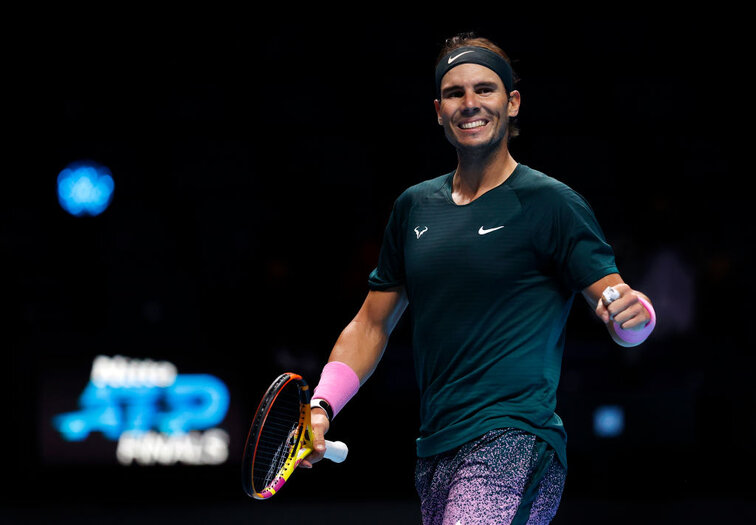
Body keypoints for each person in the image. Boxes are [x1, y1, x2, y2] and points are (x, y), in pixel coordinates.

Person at [300, 33, 656, 525]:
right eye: (455, 93)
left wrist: (637, 317)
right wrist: (321, 405)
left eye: (485, 90)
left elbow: (620, 309)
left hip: (516, 438)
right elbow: (370, 326)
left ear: (511, 104)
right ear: (438, 110)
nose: (470, 104)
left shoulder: (551, 203)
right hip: (435, 449)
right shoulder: (414, 207)